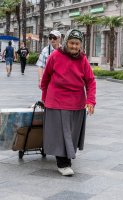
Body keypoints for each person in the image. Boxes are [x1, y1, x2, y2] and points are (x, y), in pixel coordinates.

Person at [41, 29, 96, 176]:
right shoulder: (55, 56)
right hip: (56, 100)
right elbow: (45, 78)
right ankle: (63, 163)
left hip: (77, 102)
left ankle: (66, 159)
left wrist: (91, 101)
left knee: (71, 134)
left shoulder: (83, 59)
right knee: (60, 133)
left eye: (77, 44)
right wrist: (44, 98)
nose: (74, 46)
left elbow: (90, 81)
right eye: (72, 43)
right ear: (66, 42)